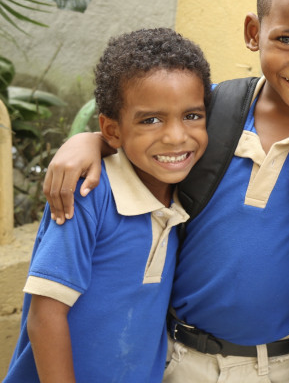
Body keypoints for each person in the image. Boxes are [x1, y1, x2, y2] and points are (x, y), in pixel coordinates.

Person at [38, 0, 289, 383]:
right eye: (287, 39)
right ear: (253, 33)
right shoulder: (213, 110)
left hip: (278, 364)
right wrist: (89, 141)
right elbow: (150, 137)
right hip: (178, 354)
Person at [4, 28, 211, 382]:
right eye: (151, 120)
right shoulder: (88, 193)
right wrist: (88, 141)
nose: (176, 136)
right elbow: (45, 317)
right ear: (111, 131)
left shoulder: (187, 194)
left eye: (192, 116)